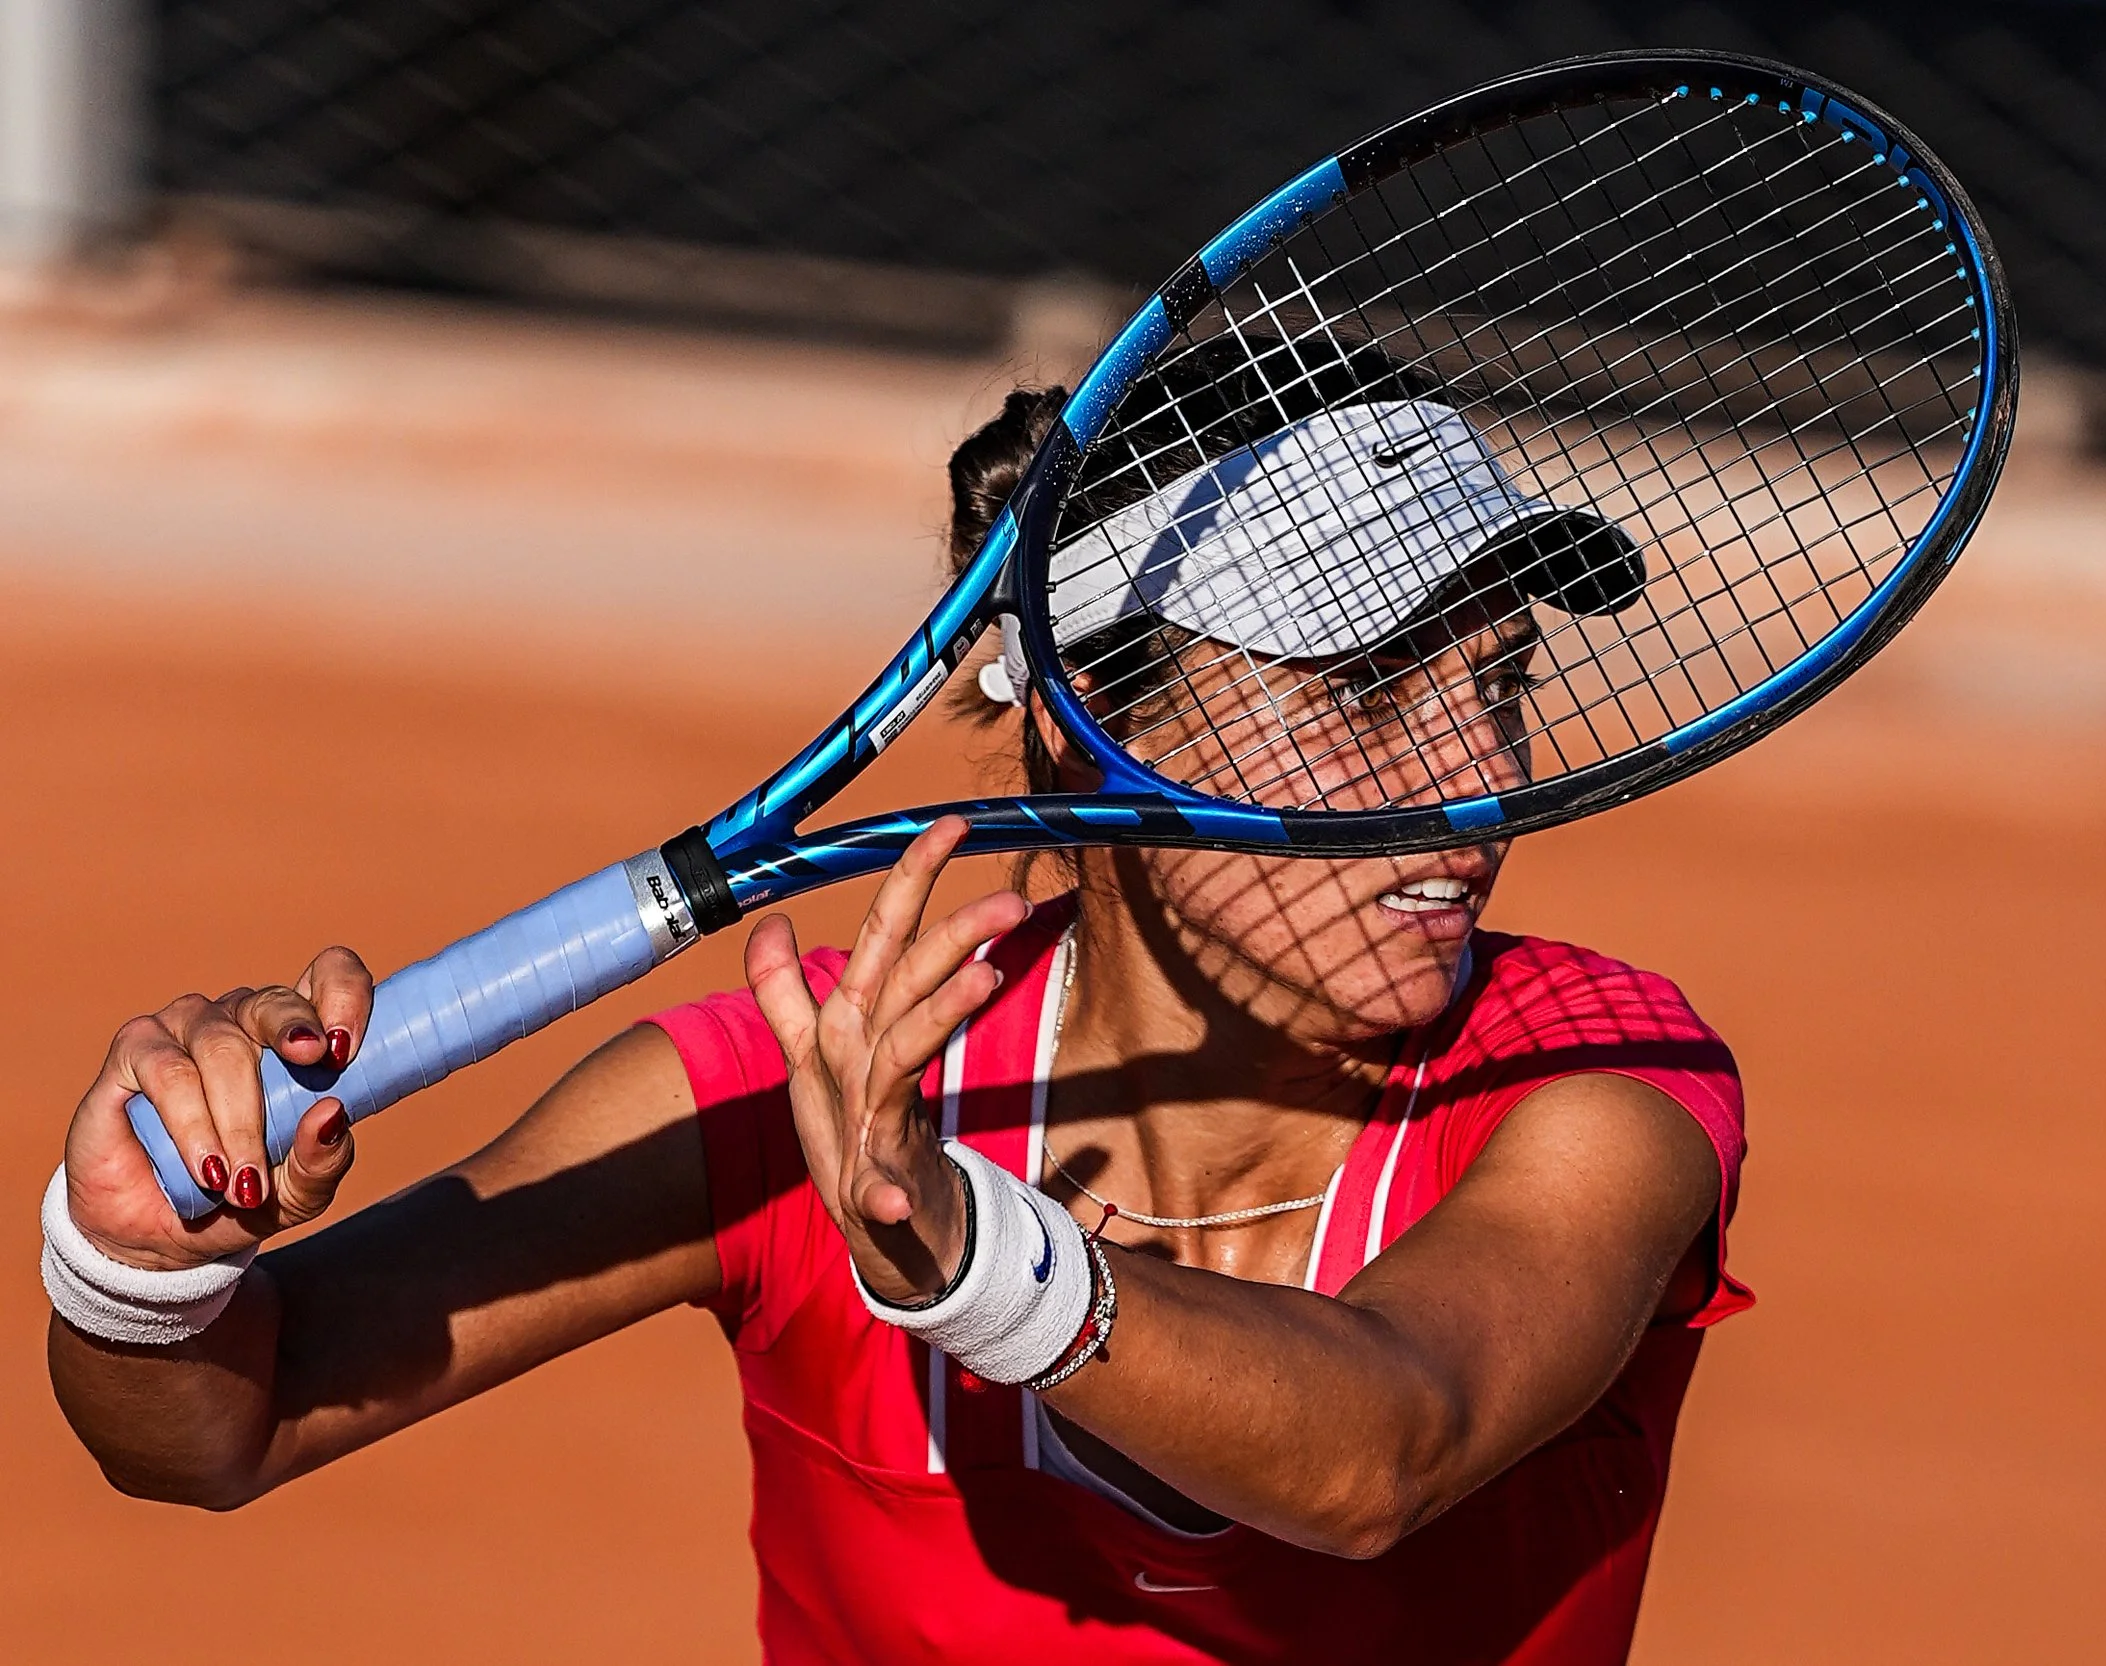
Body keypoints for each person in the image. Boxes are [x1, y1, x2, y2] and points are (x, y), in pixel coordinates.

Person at [45, 339, 1752, 1665]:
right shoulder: (777, 1102)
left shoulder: (1601, 1084)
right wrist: (132, 1265)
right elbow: (216, 1427)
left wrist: (970, 1260)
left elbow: (1386, 1443)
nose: (1479, 786)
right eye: (1372, 695)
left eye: (1503, 681)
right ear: (1101, 729)